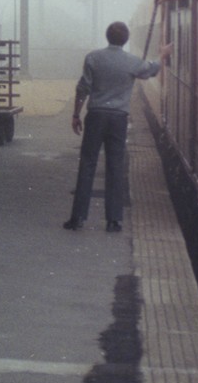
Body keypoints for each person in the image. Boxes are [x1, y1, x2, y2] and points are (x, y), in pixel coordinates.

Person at [63, 20, 171, 232]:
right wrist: (163, 54)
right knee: (115, 166)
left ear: (107, 36)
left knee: (87, 164)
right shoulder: (132, 61)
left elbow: (82, 88)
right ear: (126, 39)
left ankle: (78, 218)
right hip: (118, 119)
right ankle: (114, 220)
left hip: (95, 116)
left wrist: (76, 114)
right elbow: (151, 70)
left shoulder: (93, 58)